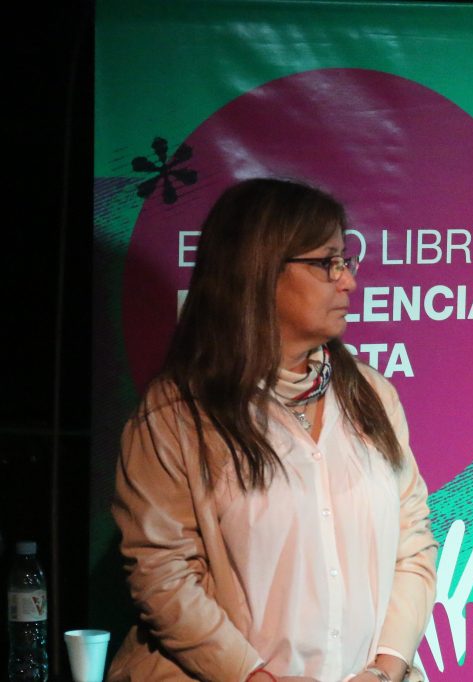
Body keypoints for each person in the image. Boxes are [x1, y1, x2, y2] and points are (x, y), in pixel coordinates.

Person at [109, 178, 437, 682]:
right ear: (259, 271)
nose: (347, 280)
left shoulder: (373, 396)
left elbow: (412, 543)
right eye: (328, 262)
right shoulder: (177, 414)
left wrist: (386, 670)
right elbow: (163, 573)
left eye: (346, 261)